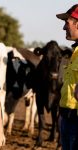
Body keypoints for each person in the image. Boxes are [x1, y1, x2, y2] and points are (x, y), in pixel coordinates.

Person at [56, 4, 78, 150]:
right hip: (67, 119)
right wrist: (62, 115)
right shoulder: (75, 52)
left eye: (67, 23)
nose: (64, 28)